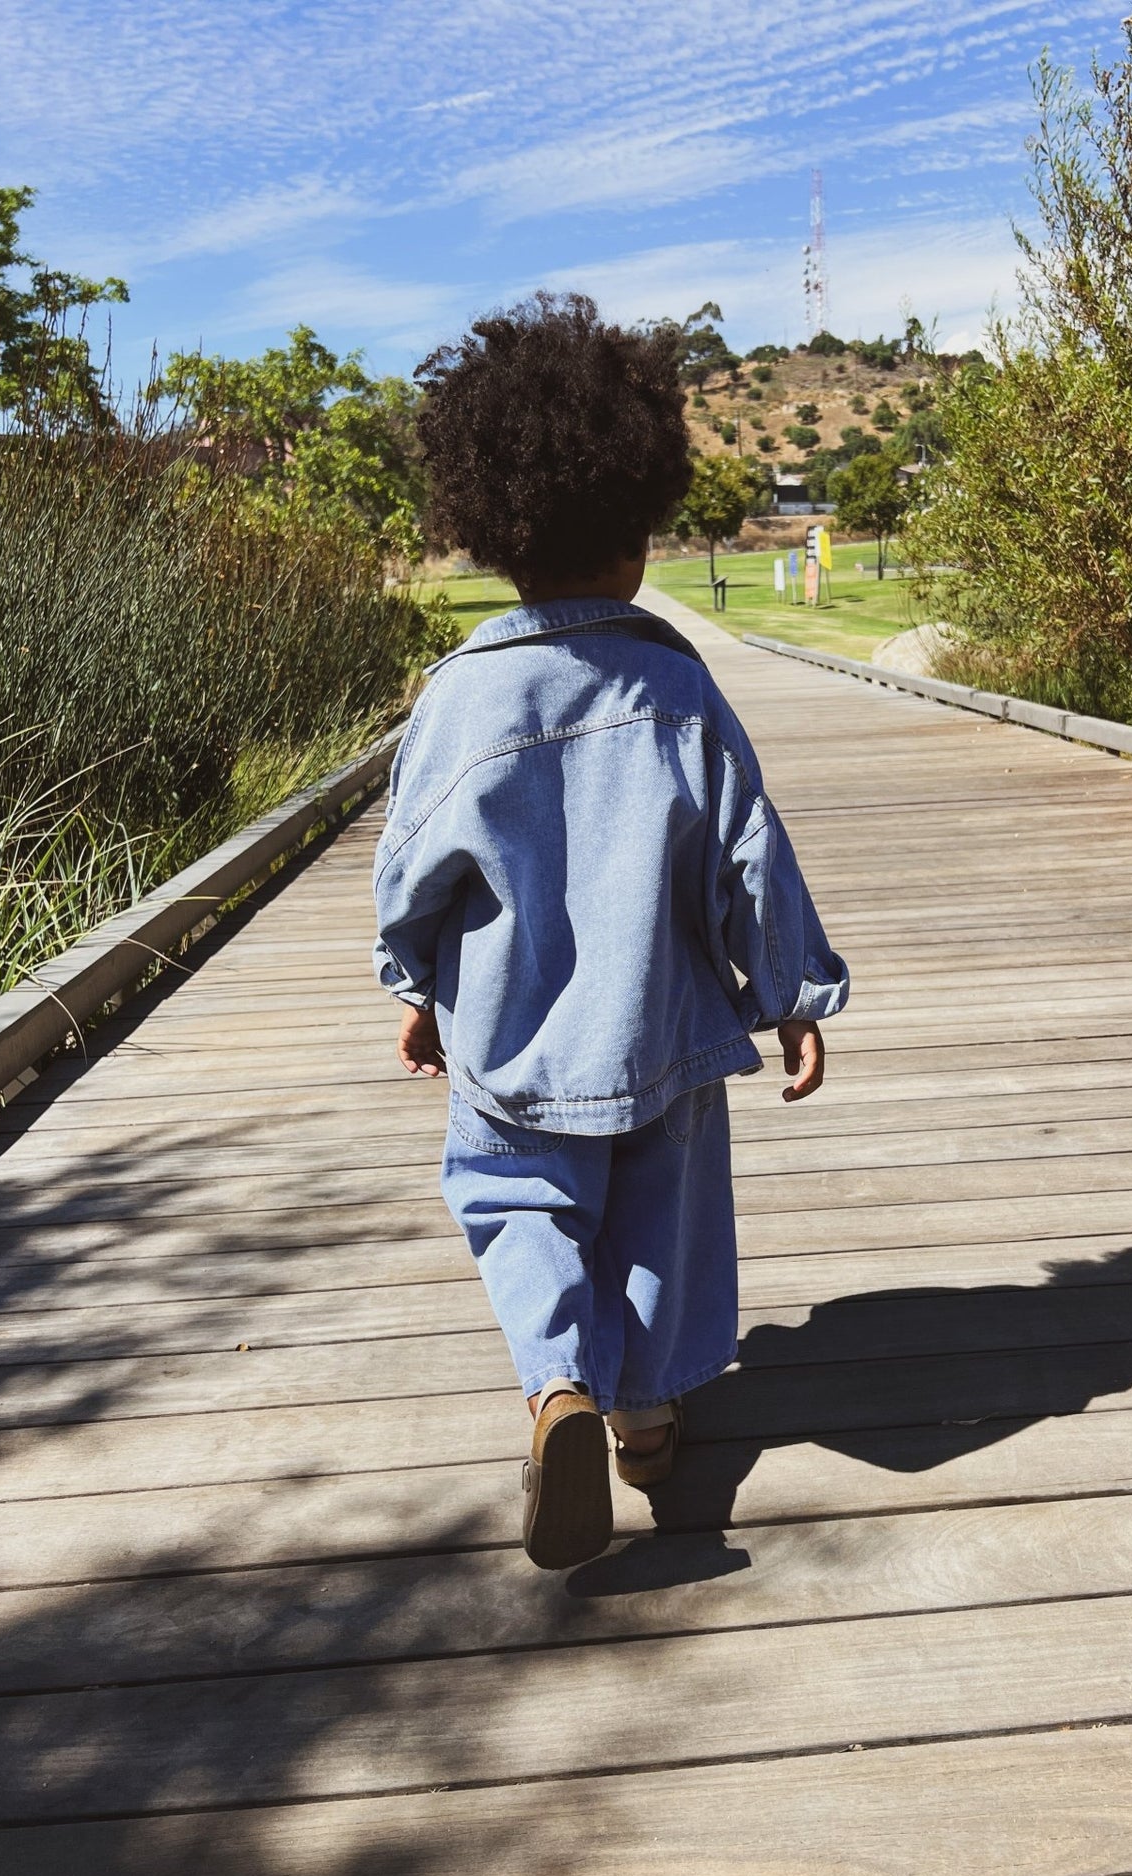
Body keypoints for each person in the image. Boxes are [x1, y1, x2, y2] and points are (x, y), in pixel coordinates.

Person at [373, 293, 849, 1570]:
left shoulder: (458, 697)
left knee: (513, 1197)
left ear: (490, 531)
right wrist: (791, 993)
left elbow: (412, 871)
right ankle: (643, 1416)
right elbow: (752, 851)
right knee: (659, 1219)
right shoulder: (679, 688)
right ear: (637, 534)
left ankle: (557, 1389)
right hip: (668, 1027)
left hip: (512, 1030)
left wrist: (414, 984)